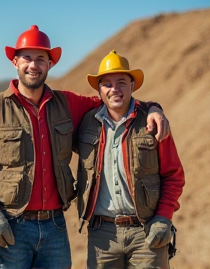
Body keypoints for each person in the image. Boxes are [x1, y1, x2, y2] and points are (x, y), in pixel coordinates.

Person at [0, 26, 169, 269]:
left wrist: (153, 107)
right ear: (15, 61)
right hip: (10, 227)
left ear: (50, 64)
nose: (34, 65)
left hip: (55, 228)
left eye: (41, 59)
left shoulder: (68, 104)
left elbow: (114, 100)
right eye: (27, 57)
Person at [76, 50, 185, 269]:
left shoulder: (153, 123)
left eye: (121, 82)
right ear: (98, 89)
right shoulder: (87, 122)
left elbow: (174, 176)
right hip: (101, 236)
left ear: (132, 86)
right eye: (106, 83)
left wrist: (163, 217)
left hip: (146, 232)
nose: (114, 89)